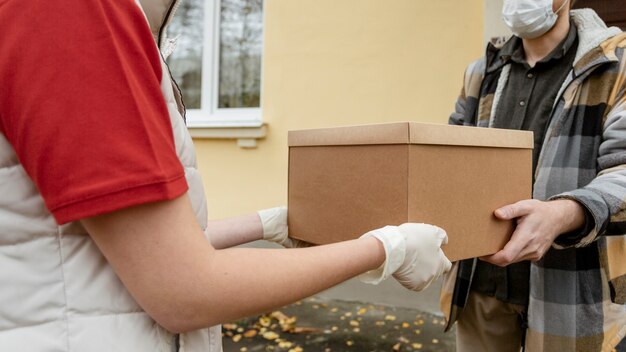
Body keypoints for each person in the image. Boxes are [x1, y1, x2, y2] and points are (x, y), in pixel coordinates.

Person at [0, 0, 451, 351]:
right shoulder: (76, 15)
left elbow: (142, 247)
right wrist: (385, 249)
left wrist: (267, 223)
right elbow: (184, 288)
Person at [439, 0, 626, 351]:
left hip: (572, 292)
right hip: (481, 286)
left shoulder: (616, 68)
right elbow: (450, 159)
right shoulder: (481, 72)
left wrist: (564, 213)